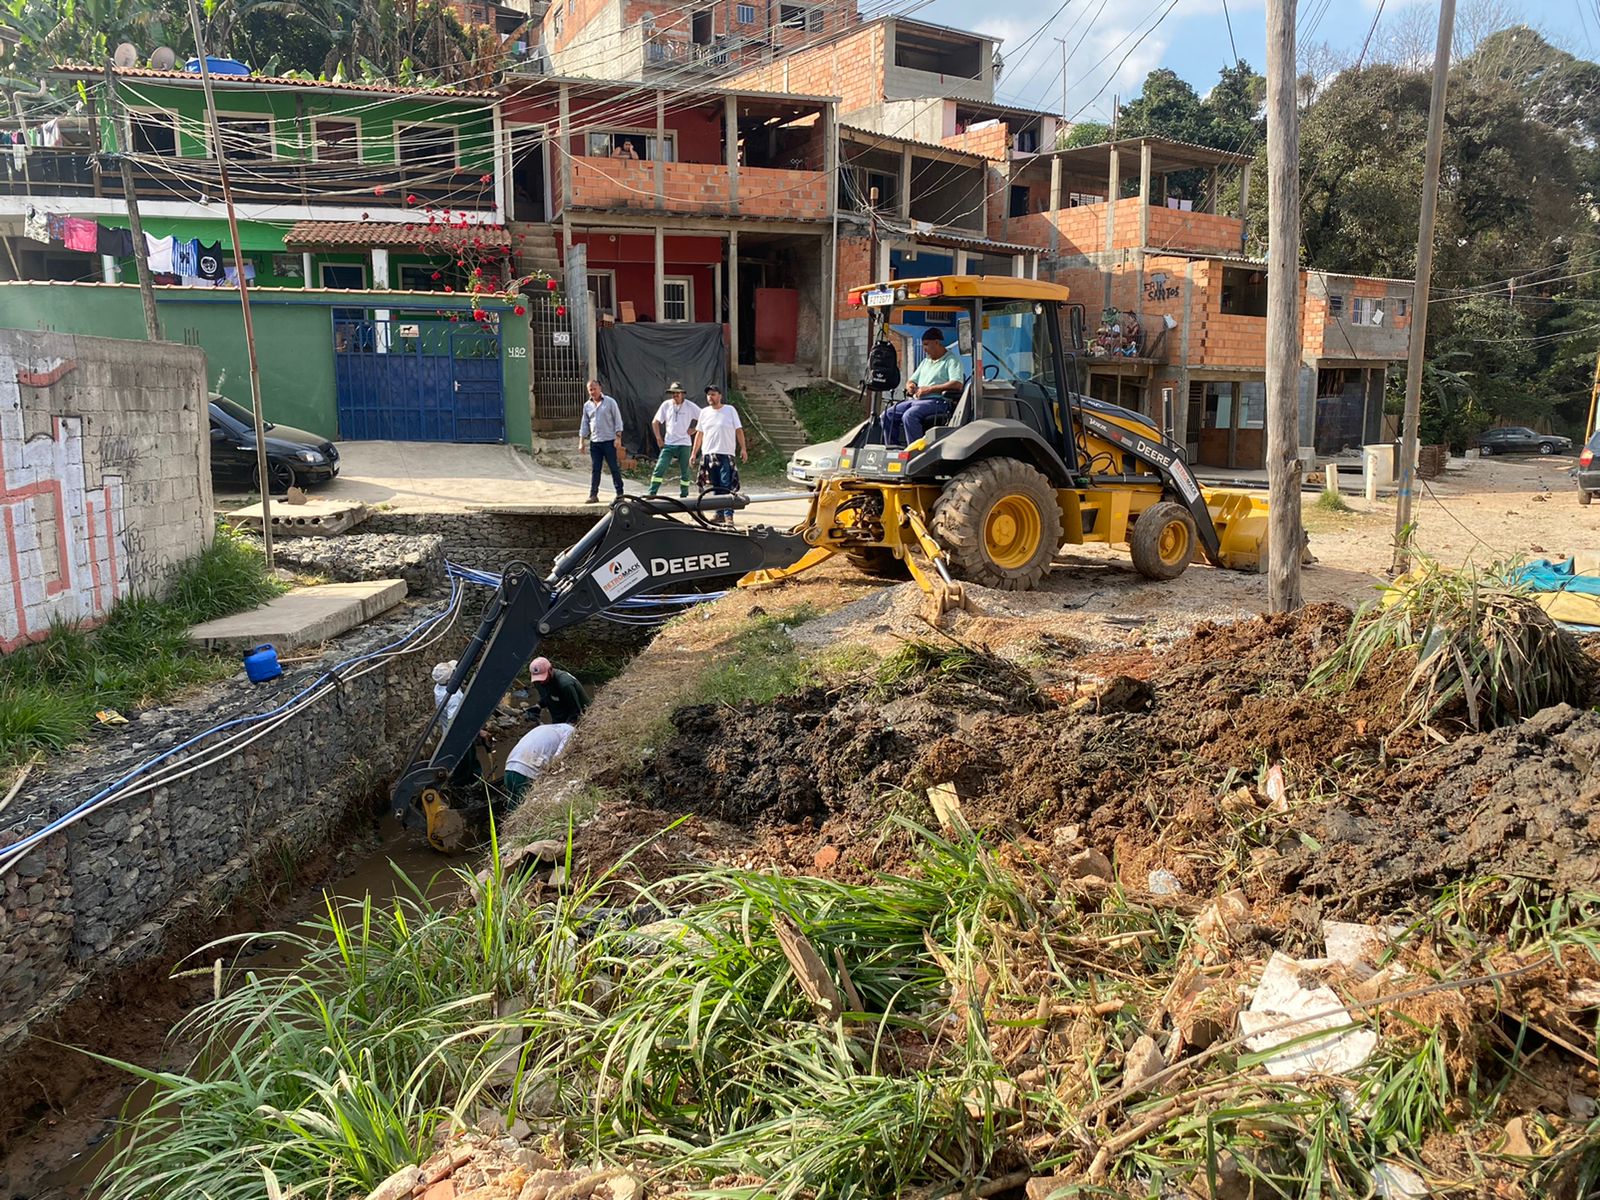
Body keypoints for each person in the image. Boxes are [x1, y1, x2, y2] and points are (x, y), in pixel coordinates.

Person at [882, 327, 965, 445]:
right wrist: (910, 385)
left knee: (909, 416)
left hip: (938, 402)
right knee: (887, 415)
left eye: (926, 345)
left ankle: (916, 451)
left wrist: (929, 389)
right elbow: (911, 380)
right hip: (917, 400)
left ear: (937, 342)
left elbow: (957, 383)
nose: (924, 349)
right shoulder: (926, 362)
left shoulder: (951, 361)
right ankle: (892, 447)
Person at [690, 385, 746, 525]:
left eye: (713, 394)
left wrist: (743, 449)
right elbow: (700, 434)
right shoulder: (704, 412)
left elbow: (738, 430)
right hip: (709, 453)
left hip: (725, 453)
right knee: (715, 485)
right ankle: (718, 513)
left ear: (720, 396)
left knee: (725, 484)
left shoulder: (729, 410)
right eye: (708, 395)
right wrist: (694, 453)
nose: (710, 397)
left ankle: (728, 515)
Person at [501, 722, 574, 804]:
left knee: (513, 805)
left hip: (509, 767)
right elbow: (558, 758)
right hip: (528, 770)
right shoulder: (570, 731)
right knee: (527, 807)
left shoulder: (544, 727)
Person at [648, 381, 700, 498]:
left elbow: (703, 417)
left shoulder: (690, 406)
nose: (675, 395)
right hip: (669, 443)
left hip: (684, 443)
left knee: (685, 471)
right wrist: (658, 438)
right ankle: (652, 493)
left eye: (677, 393)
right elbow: (655, 422)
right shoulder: (666, 405)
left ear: (683, 394)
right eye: (673, 393)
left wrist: (695, 429)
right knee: (660, 468)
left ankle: (684, 495)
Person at [578, 379, 625, 503]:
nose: (593, 392)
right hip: (595, 442)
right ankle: (593, 494)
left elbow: (618, 420)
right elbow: (585, 424)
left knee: (613, 467)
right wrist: (581, 441)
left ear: (600, 388)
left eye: (594, 388)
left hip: (609, 441)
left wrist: (618, 437)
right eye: (590, 389)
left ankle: (620, 494)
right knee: (595, 469)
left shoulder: (610, 402)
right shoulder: (587, 406)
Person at [529, 656, 589, 724]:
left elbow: (576, 713)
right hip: (558, 715)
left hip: (577, 714)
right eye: (538, 679)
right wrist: (538, 706)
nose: (541, 682)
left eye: (543, 678)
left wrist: (567, 728)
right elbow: (547, 695)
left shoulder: (565, 684)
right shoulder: (538, 682)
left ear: (550, 670)